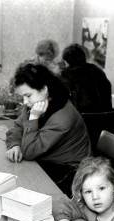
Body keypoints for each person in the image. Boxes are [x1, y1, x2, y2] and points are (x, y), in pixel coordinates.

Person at [6, 63, 91, 197]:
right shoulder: (37, 103)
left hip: (69, 172)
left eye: (28, 95)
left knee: (19, 188)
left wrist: (34, 118)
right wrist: (15, 144)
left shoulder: (62, 117)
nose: (25, 102)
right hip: (46, 160)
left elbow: (29, 152)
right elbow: (17, 126)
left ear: (44, 90)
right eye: (23, 97)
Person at [60, 43, 112, 113]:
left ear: (67, 62)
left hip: (83, 119)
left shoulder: (66, 74)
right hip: (106, 118)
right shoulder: (97, 70)